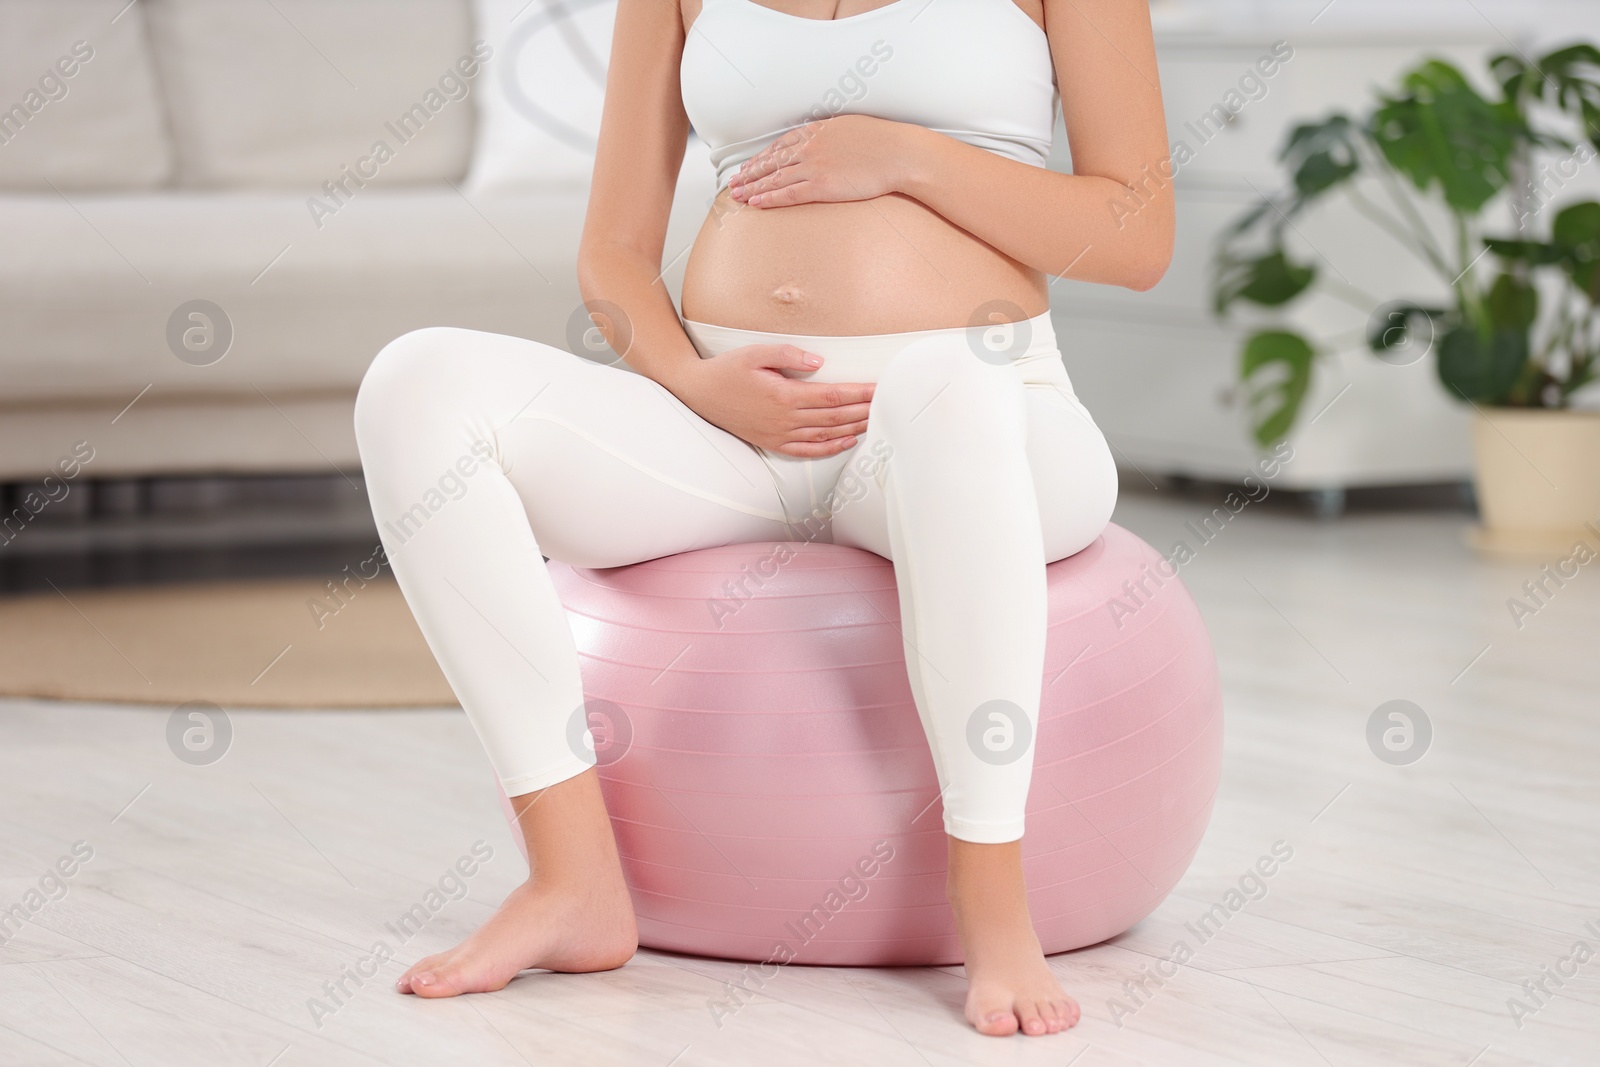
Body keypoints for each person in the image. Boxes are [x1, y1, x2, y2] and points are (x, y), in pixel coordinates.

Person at [353, 0, 1172, 1038]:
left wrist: (909, 159)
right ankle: (570, 878)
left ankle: (993, 906)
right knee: (416, 381)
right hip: (734, 430)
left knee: (939, 381)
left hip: (980, 416)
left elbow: (1136, 233)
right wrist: (696, 382)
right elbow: (612, 251)